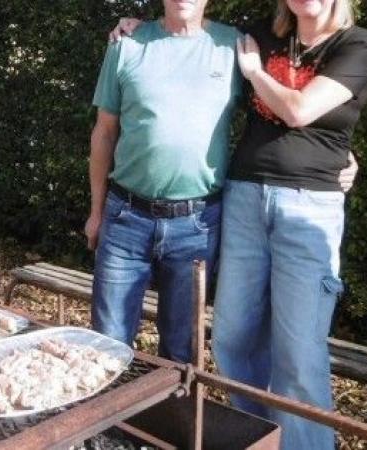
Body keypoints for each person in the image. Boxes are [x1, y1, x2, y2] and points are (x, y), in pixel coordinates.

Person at [109, 0, 367, 448]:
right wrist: (136, 25)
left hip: (309, 205)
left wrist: (256, 73)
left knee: (299, 352)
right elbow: (193, 29)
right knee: (232, 337)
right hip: (245, 198)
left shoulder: (356, 44)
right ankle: (260, 438)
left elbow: (299, 112)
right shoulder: (261, 35)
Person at [86, 0, 243, 363]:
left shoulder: (231, 47)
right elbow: (104, 132)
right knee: (106, 347)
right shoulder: (127, 43)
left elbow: (274, 110)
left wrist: (335, 149)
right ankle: (109, 421)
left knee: (180, 353)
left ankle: (170, 420)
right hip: (125, 219)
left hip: (197, 226)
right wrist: (96, 212)